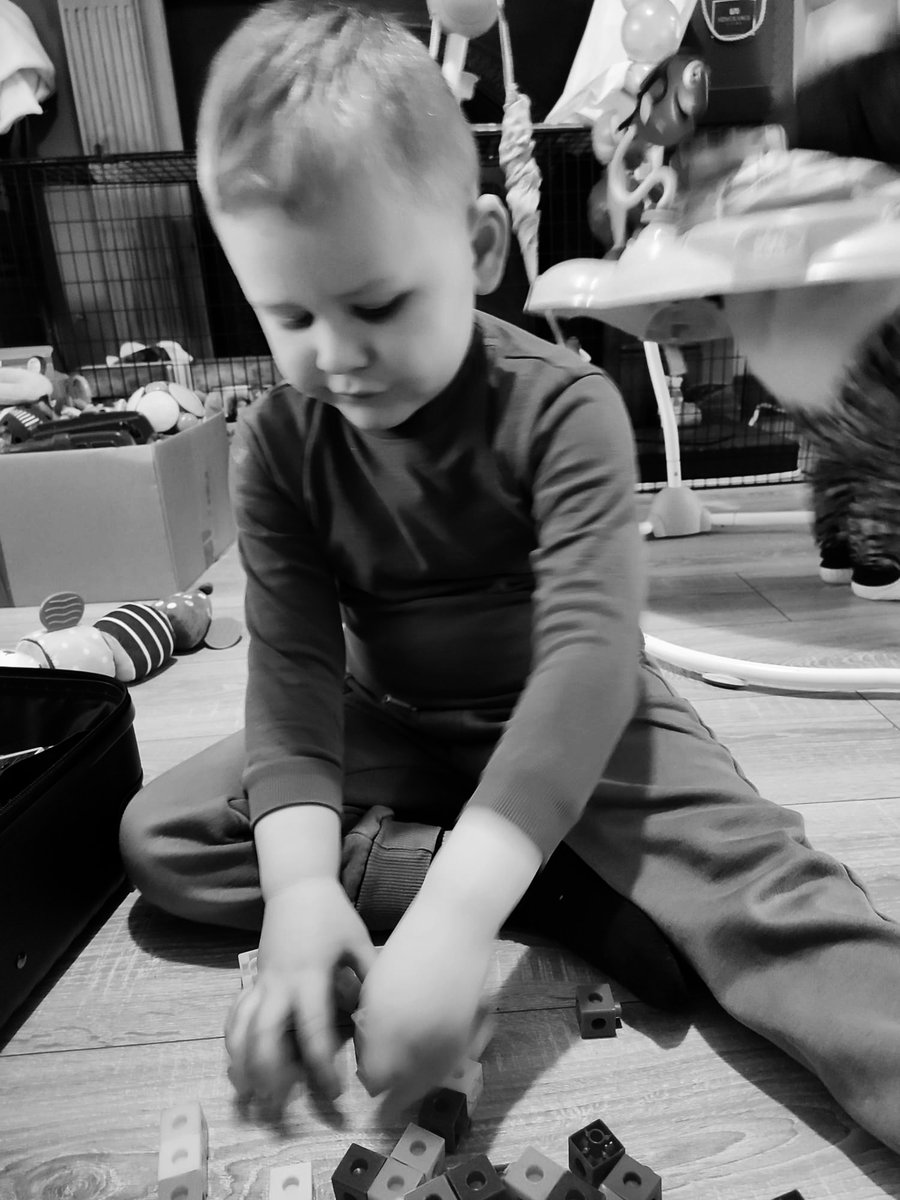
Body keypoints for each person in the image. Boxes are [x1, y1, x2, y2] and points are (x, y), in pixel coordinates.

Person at [119, 0, 900, 1150]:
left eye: (380, 304)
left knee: (766, 894)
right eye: (288, 315)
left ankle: (502, 864)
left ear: (481, 248)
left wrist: (452, 919)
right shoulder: (279, 441)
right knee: (167, 835)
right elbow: (289, 677)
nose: (337, 354)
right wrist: (295, 894)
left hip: (578, 724)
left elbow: (587, 665)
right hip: (389, 719)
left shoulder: (565, 408)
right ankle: (548, 885)